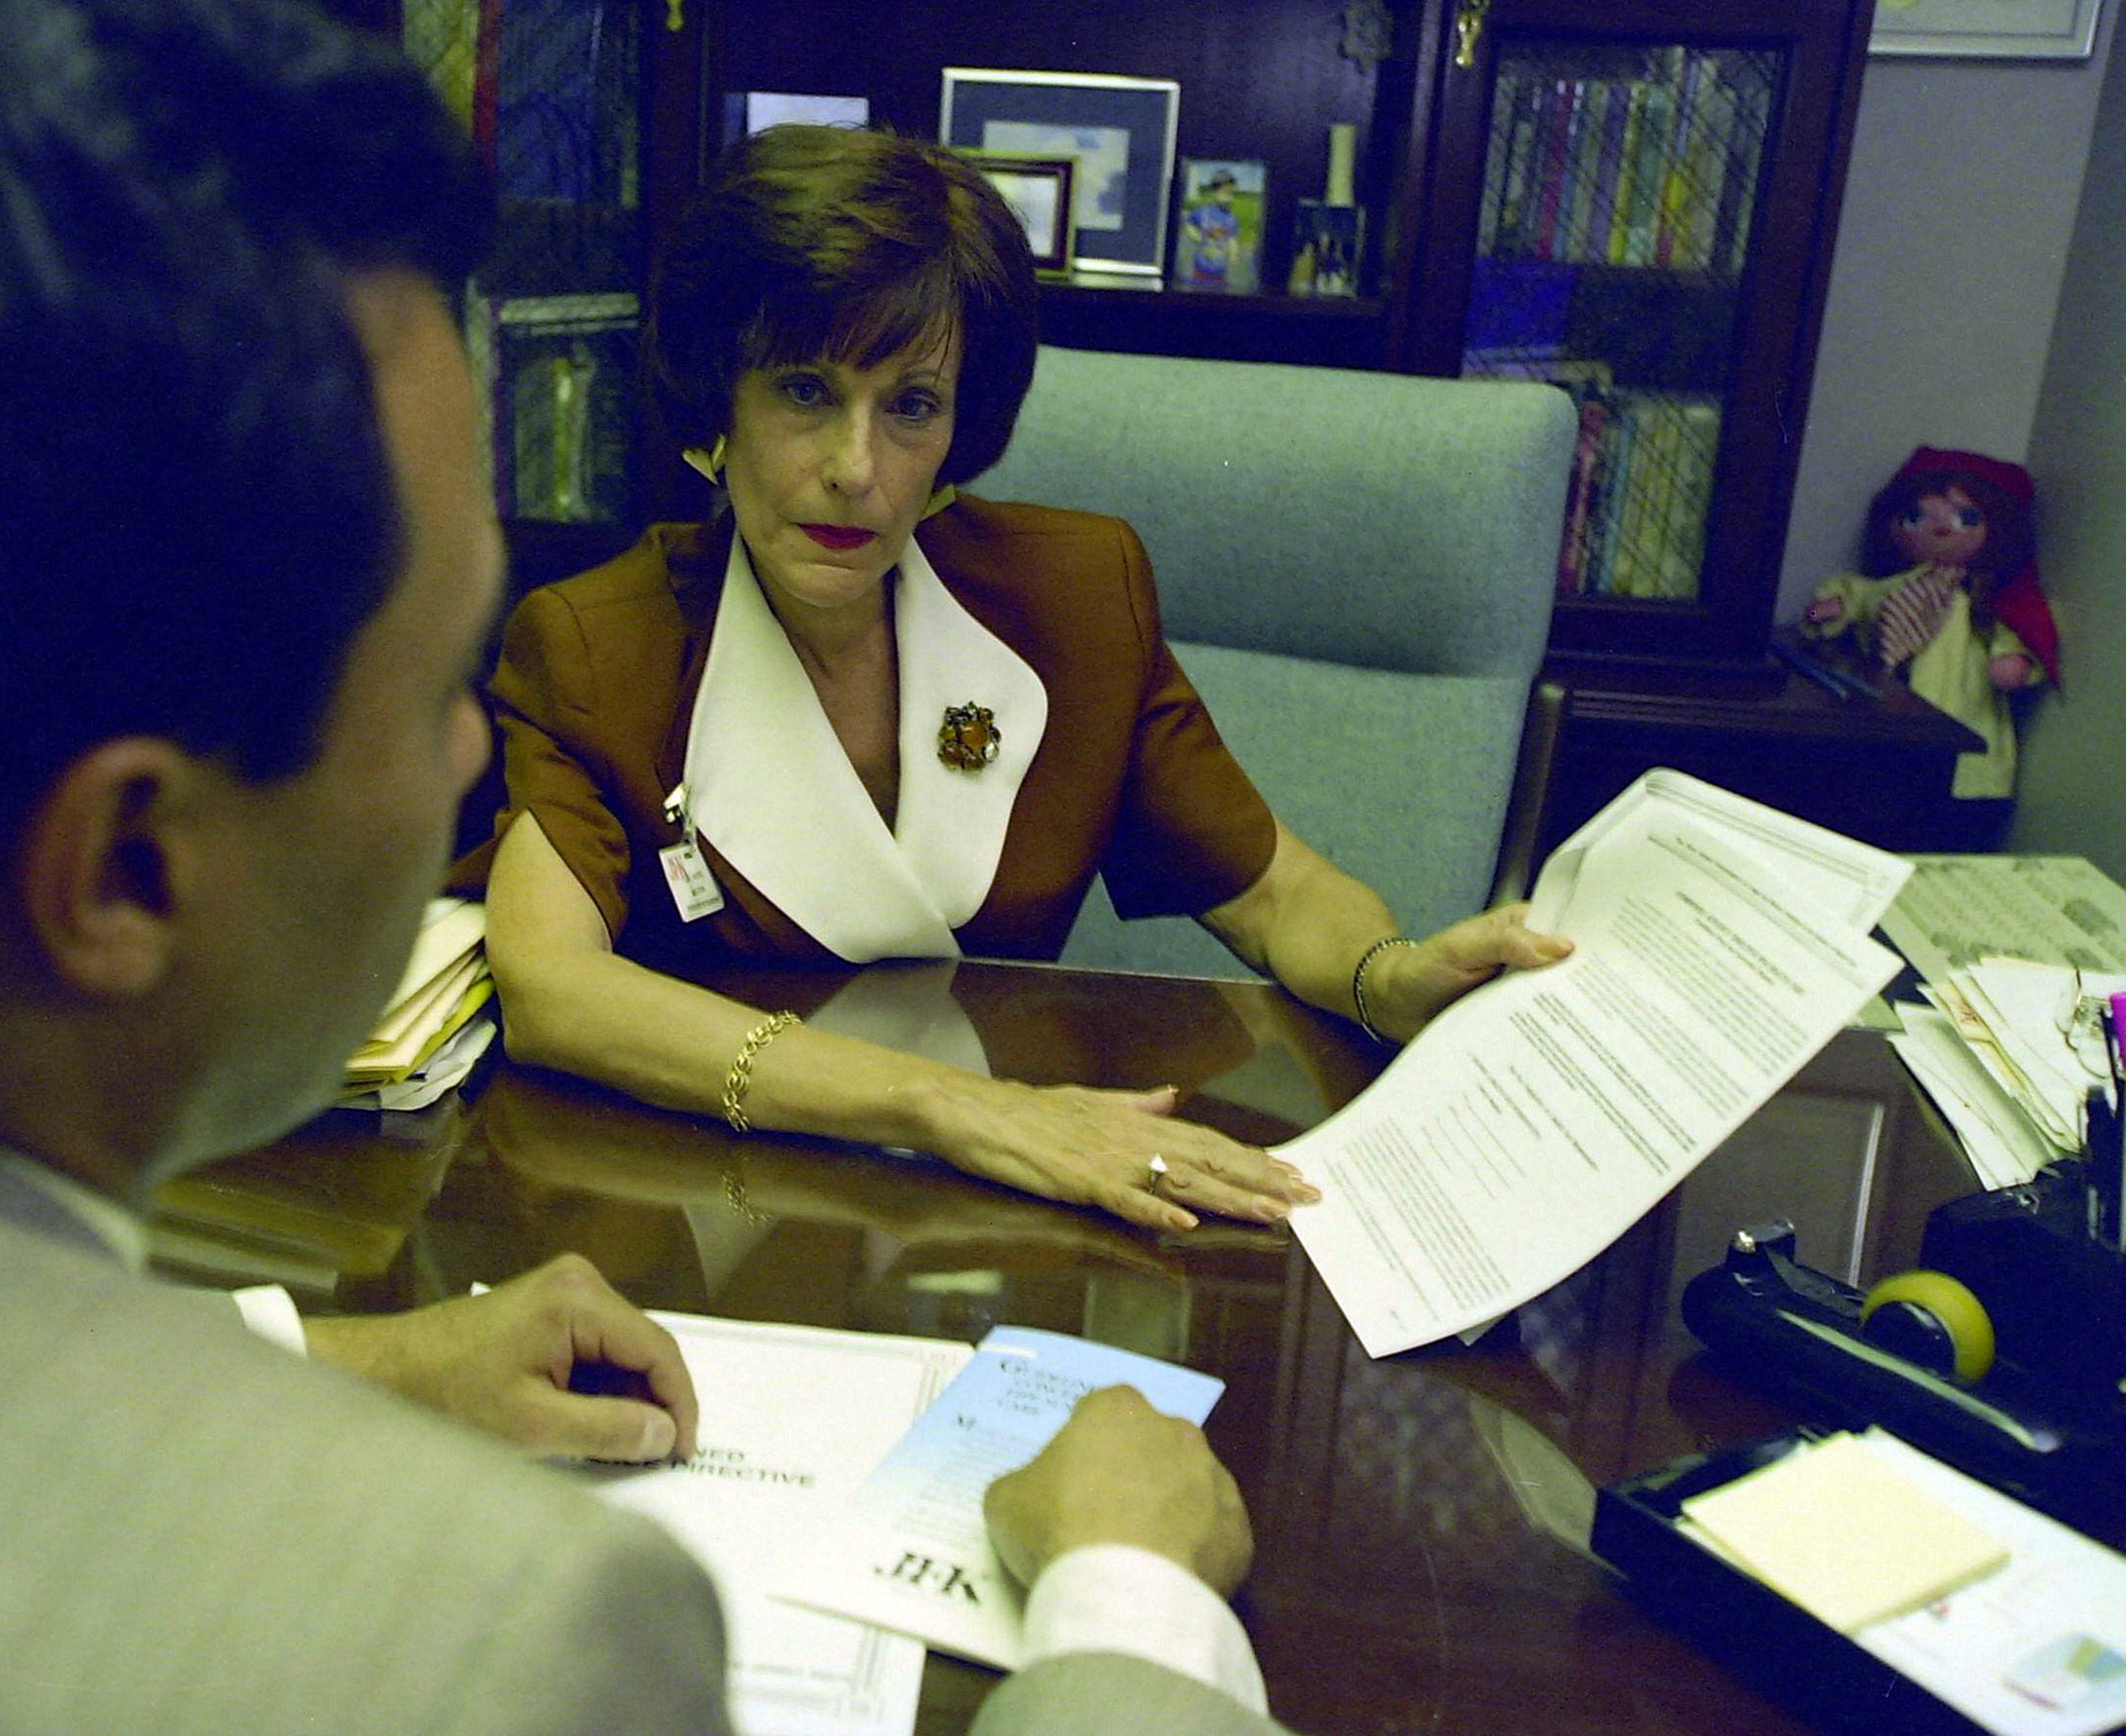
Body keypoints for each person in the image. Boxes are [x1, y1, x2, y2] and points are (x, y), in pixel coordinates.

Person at [0, 3, 1292, 1731]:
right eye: (433, 677)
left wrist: (328, 1357)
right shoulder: (500, 1641)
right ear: (126, 870)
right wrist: (1124, 1597)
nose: (468, 756)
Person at [466, 124, 1569, 1235]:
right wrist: (950, 1107)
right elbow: (551, 988)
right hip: (709, 1203)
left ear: (961, 426)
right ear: (721, 403)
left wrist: (1387, 978)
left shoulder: (1073, 598)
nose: (855, 469)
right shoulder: (597, 644)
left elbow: (1278, 896)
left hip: (991, 1223)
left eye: (911, 405)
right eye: (804, 391)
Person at [1801, 446, 2063, 806]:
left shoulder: (1983, 600)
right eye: (1915, 517)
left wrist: (2014, 661)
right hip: (1887, 720)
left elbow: (2011, 634)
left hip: (1962, 726)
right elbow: (1861, 594)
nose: (1940, 528)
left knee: (1946, 810)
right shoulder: (1895, 588)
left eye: (1966, 518)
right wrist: (1836, 606)